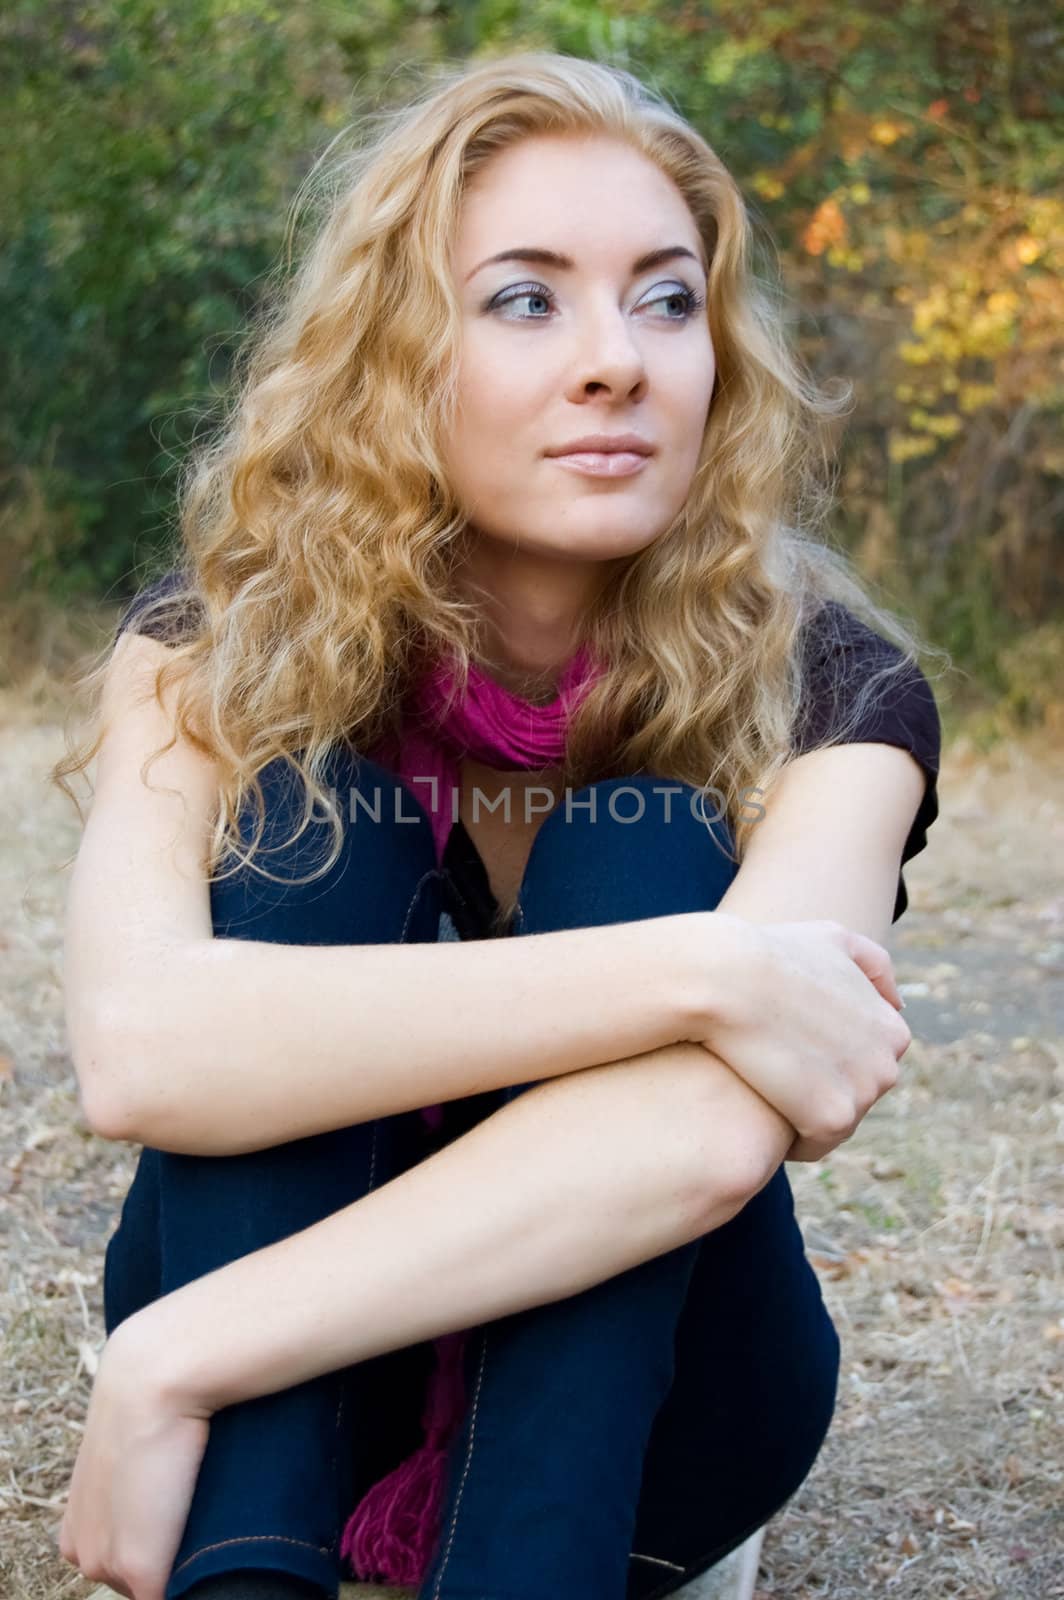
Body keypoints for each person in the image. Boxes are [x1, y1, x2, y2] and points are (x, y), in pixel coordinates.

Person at [51, 49, 944, 1600]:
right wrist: (709, 977)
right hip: (296, 1395)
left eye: (668, 300)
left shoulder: (835, 693)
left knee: (646, 836)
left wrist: (171, 1360)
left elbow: (702, 1137)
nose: (618, 362)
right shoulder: (214, 649)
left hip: (668, 1413)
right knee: (320, 820)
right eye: (527, 299)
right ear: (395, 354)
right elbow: (144, 1050)